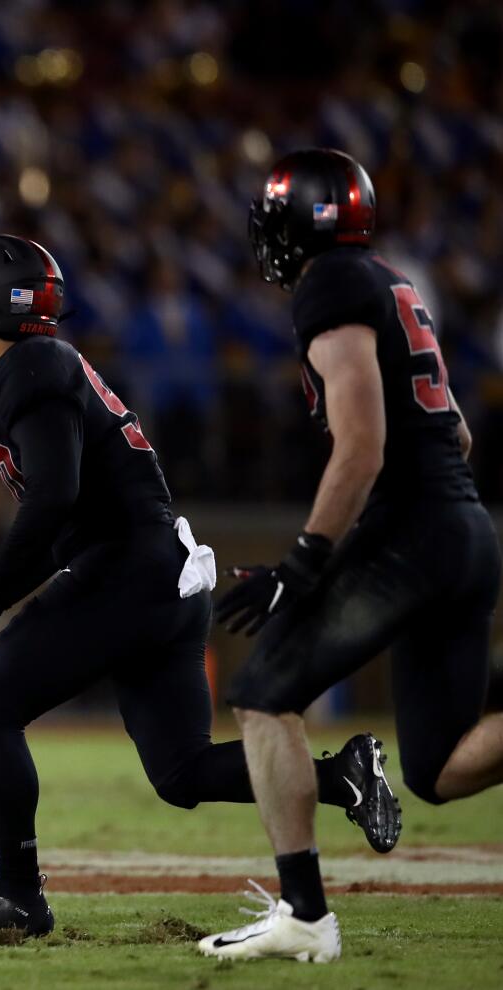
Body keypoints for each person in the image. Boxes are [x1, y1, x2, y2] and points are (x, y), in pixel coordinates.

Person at [0, 235, 400, 939]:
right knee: (181, 771)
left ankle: (18, 894)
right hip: (161, 573)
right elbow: (64, 510)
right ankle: (342, 774)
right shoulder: (41, 366)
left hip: (127, 572)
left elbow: (52, 500)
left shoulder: (30, 364)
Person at [199, 149, 503, 964]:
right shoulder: (391, 282)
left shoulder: (330, 284)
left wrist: (304, 563)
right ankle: (301, 914)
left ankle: (304, 915)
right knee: (439, 768)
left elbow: (363, 446)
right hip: (462, 526)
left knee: (263, 695)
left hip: (419, 531)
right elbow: (459, 437)